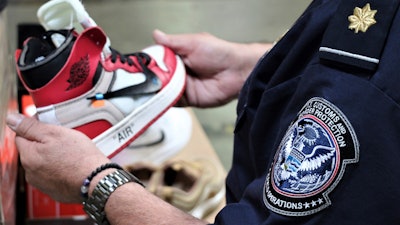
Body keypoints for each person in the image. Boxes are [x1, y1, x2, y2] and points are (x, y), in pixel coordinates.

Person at [6, 0, 400, 224]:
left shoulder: (366, 96)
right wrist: (258, 69)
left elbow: (369, 90)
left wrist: (95, 184)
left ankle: (84, 107)